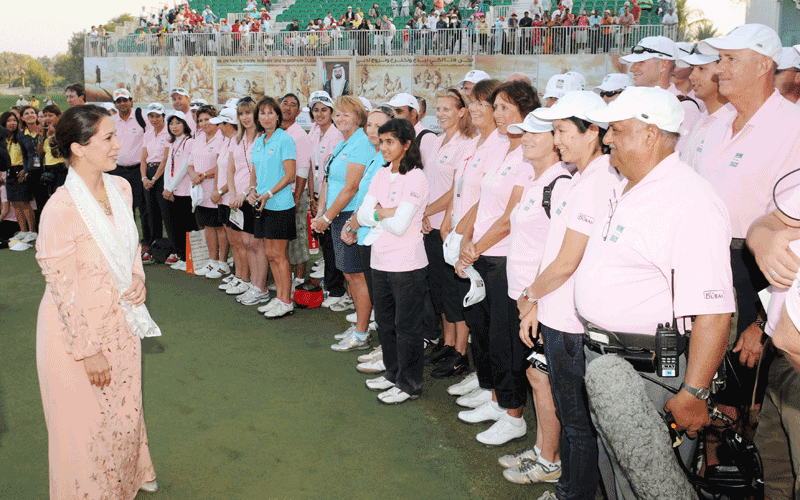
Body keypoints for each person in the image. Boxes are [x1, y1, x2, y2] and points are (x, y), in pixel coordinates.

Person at [576, 86, 735, 500]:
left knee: (653, 485)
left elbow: (714, 313)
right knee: (614, 473)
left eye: (616, 130)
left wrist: (694, 392)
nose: (606, 138)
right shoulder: (626, 184)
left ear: (651, 135)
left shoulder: (689, 200)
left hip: (650, 373)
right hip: (607, 364)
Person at [35, 104, 158, 499]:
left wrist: (138, 280)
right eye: (108, 138)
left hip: (122, 322)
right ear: (78, 148)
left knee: (123, 413)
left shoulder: (121, 188)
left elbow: (130, 248)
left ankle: (128, 477)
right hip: (75, 335)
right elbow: (60, 287)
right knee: (84, 428)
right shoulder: (60, 209)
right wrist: (87, 350)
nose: (118, 145)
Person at [519, 91, 618, 500]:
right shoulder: (580, 179)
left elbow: (566, 262)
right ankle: (568, 488)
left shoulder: (597, 183)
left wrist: (530, 296)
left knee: (578, 422)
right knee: (572, 416)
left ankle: (571, 494)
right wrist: (538, 302)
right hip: (558, 313)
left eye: (562, 131)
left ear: (593, 132)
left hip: (573, 321)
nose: (556, 140)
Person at [454, 80, 539, 447]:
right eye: (497, 107)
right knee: (487, 333)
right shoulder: (505, 149)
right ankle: (496, 399)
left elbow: (510, 216)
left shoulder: (529, 154)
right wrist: (467, 240)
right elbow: (482, 202)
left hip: (504, 257)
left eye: (505, 108)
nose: (498, 114)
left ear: (524, 111)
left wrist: (474, 247)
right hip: (484, 253)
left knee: (506, 340)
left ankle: (513, 413)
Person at [498, 111, 572, 486]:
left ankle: (550, 460)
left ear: (556, 140)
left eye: (535, 132)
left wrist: (536, 299)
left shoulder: (560, 184)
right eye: (522, 132)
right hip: (525, 297)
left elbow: (561, 253)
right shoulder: (536, 180)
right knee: (534, 374)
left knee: (542, 379)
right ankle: (543, 449)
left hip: (542, 299)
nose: (525, 137)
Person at [357, 118, 432, 404]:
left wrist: (380, 213)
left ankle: (409, 383)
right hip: (380, 260)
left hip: (408, 264)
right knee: (385, 322)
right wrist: (383, 213)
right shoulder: (380, 173)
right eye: (381, 141)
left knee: (407, 327)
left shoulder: (416, 177)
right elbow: (364, 215)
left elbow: (402, 225)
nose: (384, 147)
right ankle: (392, 373)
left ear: (406, 144)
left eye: (390, 142)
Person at [421, 88, 477, 379]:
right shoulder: (439, 141)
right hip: (432, 223)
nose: (441, 113)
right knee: (441, 289)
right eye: (438, 108)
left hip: (449, 226)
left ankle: (459, 352)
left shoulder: (468, 144)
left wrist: (428, 213)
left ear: (462, 112)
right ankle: (447, 342)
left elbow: (456, 192)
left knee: (456, 292)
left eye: (447, 109)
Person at [311, 96, 374, 349]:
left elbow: (351, 188)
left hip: (350, 218)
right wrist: (322, 212)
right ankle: (360, 326)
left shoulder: (362, 143)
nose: (340, 118)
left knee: (356, 276)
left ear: (359, 117)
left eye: (346, 114)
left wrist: (326, 218)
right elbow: (328, 179)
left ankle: (361, 333)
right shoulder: (343, 143)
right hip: (337, 216)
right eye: (337, 114)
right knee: (350, 274)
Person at [342, 105, 397, 371]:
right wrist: (353, 225)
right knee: (379, 298)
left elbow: (381, 206)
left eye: (380, 126)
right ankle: (384, 348)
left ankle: (389, 354)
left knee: (386, 300)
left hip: (379, 236)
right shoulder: (377, 156)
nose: (373, 131)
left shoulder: (389, 160)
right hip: (365, 234)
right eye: (370, 125)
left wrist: (353, 224)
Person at [248, 96, 297, 319]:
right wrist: (252, 190)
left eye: (270, 113)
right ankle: (279, 298)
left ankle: (286, 300)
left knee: (279, 255)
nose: (266, 117)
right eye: (262, 113)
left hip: (280, 205)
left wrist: (269, 193)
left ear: (278, 116)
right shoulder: (258, 141)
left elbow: (290, 175)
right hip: (262, 205)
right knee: (269, 254)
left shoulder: (284, 140)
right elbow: (255, 173)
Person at [619, 36, 702, 154]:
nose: (632, 69)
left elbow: (679, 159)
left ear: (663, 65)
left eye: (641, 62)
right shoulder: (632, 105)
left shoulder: (685, 108)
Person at [187, 105, 230, 279]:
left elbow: (221, 165)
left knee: (220, 228)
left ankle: (223, 263)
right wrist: (193, 175)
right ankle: (212, 261)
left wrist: (204, 174)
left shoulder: (222, 137)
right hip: (200, 192)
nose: (204, 123)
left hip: (217, 190)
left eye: (207, 119)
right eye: (200, 120)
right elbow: (190, 163)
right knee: (208, 227)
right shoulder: (197, 137)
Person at [280, 93, 312, 286]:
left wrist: (298, 197)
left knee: (297, 237)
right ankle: (287, 279)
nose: (288, 107)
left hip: (294, 193)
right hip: (279, 193)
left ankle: (299, 280)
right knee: (283, 239)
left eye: (293, 105)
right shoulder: (276, 131)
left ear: (298, 112)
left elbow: (303, 169)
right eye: (285, 103)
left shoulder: (299, 134)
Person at [110, 89, 148, 247]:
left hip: (140, 170)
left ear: (131, 101)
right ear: (115, 104)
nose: (122, 104)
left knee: (145, 209)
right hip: (118, 171)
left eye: (125, 100)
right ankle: (129, 243)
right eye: (119, 101)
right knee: (124, 209)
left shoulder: (142, 118)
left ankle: (147, 243)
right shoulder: (111, 121)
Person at [162, 111, 197, 271]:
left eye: (178, 123)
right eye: (171, 123)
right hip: (174, 191)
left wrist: (171, 187)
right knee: (178, 226)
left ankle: (191, 259)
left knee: (188, 226)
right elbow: (169, 165)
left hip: (185, 192)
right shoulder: (174, 142)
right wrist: (166, 188)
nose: (174, 126)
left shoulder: (189, 141)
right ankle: (183, 256)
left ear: (185, 124)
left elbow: (184, 168)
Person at [139, 103, 170, 265]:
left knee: (164, 211)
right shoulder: (148, 133)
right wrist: (144, 178)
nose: (154, 119)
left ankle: (171, 247)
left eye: (158, 116)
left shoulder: (168, 132)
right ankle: (154, 246)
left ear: (163, 116)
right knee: (151, 212)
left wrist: (155, 179)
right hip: (149, 174)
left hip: (162, 174)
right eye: (151, 116)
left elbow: (165, 159)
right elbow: (143, 159)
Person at [1, 111, 36, 246]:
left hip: (21, 170)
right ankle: (23, 230)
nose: (12, 123)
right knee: (15, 204)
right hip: (9, 171)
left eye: (14, 120)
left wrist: (25, 170)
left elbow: (31, 155)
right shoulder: (3, 139)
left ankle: (32, 231)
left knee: (24, 202)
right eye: (9, 121)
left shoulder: (22, 137)